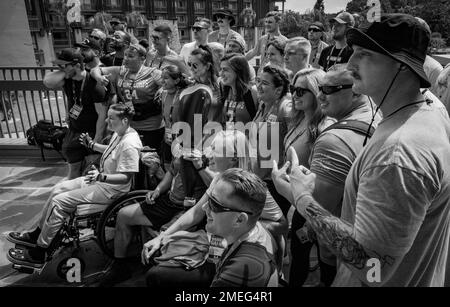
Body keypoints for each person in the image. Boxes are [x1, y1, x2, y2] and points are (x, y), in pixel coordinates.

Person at [273, 14, 450, 287]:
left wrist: (302, 198)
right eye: (353, 52)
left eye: (365, 54)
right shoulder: (432, 109)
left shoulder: (397, 155)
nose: (351, 63)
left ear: (402, 66)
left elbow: (371, 267)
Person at [144, 130, 286, 287]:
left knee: (156, 276)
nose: (207, 153)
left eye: (214, 149)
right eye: (209, 147)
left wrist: (249, 225)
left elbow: (282, 225)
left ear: (233, 158)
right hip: (217, 245)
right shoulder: (219, 178)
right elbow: (197, 211)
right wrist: (161, 236)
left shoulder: (251, 189)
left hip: (236, 248)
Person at [7, 104, 142, 267]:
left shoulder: (130, 144)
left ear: (125, 120)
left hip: (110, 190)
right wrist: (92, 145)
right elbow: (112, 151)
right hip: (100, 181)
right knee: (57, 189)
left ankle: (40, 253)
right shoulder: (120, 133)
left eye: (111, 118)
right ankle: (36, 234)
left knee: (59, 202)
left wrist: (102, 176)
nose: (106, 120)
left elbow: (126, 177)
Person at [280, 68, 335, 286]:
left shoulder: (324, 128)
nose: (295, 95)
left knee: (308, 258)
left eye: (302, 90)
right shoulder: (299, 118)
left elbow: (321, 178)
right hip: (295, 199)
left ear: (317, 91)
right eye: (293, 89)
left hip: (312, 204)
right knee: (297, 255)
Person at [43, 47, 111, 179]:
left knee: (91, 170)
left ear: (78, 65)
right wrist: (66, 71)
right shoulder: (68, 79)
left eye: (63, 66)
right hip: (74, 131)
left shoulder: (94, 84)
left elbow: (102, 114)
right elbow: (48, 82)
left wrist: (97, 139)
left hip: (90, 133)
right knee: (73, 168)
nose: (60, 68)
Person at [92, 44, 164, 153]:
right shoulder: (120, 71)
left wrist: (162, 89)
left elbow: (171, 82)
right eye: (125, 55)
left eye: (130, 56)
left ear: (142, 58)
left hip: (151, 127)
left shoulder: (153, 73)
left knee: (149, 161)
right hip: (129, 127)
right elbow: (95, 70)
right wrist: (99, 78)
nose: (126, 58)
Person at [176, 46, 216, 201]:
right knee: (191, 194)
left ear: (207, 66)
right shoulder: (191, 88)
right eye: (189, 64)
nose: (191, 69)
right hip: (191, 147)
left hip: (210, 147)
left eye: (195, 65)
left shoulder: (217, 87)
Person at [252, 65, 292, 217]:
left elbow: (269, 159)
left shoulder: (283, 108)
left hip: (273, 182)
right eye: (258, 81)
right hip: (261, 176)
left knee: (273, 225)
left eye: (265, 83)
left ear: (278, 90)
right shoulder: (263, 104)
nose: (259, 87)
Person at [157, 65, 191, 168]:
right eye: (161, 77)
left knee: (178, 169)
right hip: (167, 139)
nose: (162, 81)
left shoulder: (185, 95)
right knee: (168, 167)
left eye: (166, 78)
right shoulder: (163, 94)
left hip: (181, 141)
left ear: (176, 81)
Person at [218, 53, 258, 127]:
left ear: (238, 71)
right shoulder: (225, 91)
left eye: (225, 70)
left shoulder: (253, 93)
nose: (221, 73)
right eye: (221, 69)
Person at [245, 11, 288, 75]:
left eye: (270, 22)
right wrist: (238, 61)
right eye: (266, 22)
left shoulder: (285, 41)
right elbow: (253, 52)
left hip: (276, 78)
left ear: (278, 23)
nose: (267, 24)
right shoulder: (262, 39)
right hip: (261, 77)